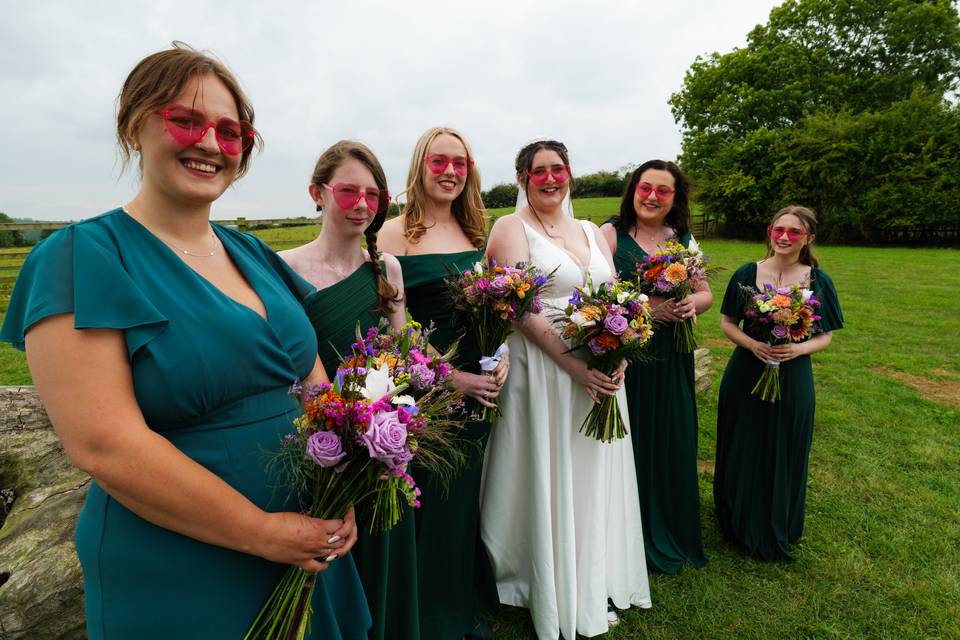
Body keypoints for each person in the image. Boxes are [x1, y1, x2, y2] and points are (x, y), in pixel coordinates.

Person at [0, 45, 370, 639]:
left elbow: (310, 375)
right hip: (181, 560)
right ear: (134, 125)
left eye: (230, 132)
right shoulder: (79, 257)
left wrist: (344, 474)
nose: (209, 144)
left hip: (307, 536)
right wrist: (261, 531)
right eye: (186, 121)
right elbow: (104, 444)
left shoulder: (251, 252)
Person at [481, 139, 651, 639]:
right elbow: (519, 307)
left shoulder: (591, 231)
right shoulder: (510, 228)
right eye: (539, 172)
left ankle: (592, 567)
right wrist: (572, 364)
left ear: (569, 173)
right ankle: (543, 575)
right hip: (546, 372)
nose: (550, 178)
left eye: (558, 169)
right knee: (549, 469)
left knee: (592, 470)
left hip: (600, 370)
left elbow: (617, 296)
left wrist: (619, 351)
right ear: (523, 178)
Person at [279, 140, 416, 640]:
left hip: (381, 436)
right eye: (348, 192)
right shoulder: (283, 270)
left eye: (373, 195)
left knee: (382, 544)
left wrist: (393, 430)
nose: (361, 204)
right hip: (314, 439)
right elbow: (283, 366)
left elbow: (403, 356)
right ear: (318, 193)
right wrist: (330, 434)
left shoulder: (388, 269)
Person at [378, 126, 506, 640]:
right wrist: (452, 378)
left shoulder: (476, 233)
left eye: (460, 162)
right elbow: (396, 324)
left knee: (462, 496)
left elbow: (499, 309)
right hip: (426, 385)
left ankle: (459, 601)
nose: (450, 171)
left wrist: (503, 359)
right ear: (420, 165)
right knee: (426, 495)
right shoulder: (391, 234)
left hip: (481, 383)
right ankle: (424, 612)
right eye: (439, 161)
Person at [713, 205, 843, 560]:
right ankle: (736, 520)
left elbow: (826, 335)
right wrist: (753, 343)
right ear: (770, 231)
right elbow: (727, 323)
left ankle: (777, 522)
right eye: (778, 229)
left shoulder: (818, 280)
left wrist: (798, 351)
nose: (784, 237)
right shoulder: (746, 273)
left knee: (785, 443)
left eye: (794, 232)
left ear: (809, 239)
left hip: (793, 373)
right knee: (743, 441)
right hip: (746, 371)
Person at [600, 160, 711, 574]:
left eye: (662, 191)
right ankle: (627, 534)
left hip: (673, 354)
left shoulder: (680, 238)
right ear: (633, 190)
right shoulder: (610, 235)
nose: (651, 196)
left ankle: (670, 524)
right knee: (632, 438)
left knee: (672, 434)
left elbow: (705, 294)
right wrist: (650, 309)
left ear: (674, 199)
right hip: (628, 354)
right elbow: (601, 295)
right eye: (645, 187)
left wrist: (689, 303)